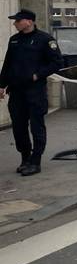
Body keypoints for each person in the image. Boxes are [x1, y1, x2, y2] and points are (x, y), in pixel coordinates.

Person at [0, 9, 64, 176]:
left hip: (35, 91)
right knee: (18, 127)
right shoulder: (14, 40)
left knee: (37, 126)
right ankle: (25, 158)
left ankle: (36, 161)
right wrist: (1, 85)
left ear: (28, 21)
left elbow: (57, 62)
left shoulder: (45, 40)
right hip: (16, 91)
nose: (14, 24)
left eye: (17, 21)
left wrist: (38, 75)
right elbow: (7, 65)